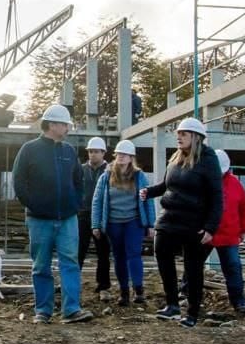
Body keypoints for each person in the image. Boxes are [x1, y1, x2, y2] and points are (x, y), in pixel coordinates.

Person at [12, 104, 93, 324]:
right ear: (52, 124)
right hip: (39, 220)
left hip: (67, 218)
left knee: (70, 263)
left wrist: (74, 205)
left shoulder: (68, 151)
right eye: (65, 124)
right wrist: (34, 205)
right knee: (41, 265)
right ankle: (43, 311)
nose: (68, 127)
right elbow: (18, 182)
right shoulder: (29, 149)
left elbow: (79, 180)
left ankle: (71, 310)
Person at [141, 117, 223, 328]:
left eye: (183, 134)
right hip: (170, 218)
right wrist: (149, 192)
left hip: (194, 221)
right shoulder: (176, 158)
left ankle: (192, 312)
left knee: (193, 267)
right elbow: (167, 185)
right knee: (161, 252)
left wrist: (211, 227)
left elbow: (216, 196)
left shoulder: (208, 159)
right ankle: (172, 305)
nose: (178, 137)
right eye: (178, 133)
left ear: (195, 137)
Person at [91, 140, 155, 307]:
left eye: (124, 154)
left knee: (133, 254)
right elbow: (97, 201)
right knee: (119, 256)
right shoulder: (106, 176)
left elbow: (148, 199)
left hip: (133, 221)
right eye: (119, 154)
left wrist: (151, 224)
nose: (121, 157)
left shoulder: (139, 176)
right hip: (113, 223)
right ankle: (124, 291)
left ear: (131, 157)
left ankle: (139, 289)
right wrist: (95, 225)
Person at [204, 150, 245, 315]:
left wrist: (243, 230)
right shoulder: (202, 182)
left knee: (233, 268)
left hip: (229, 234)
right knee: (194, 265)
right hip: (205, 234)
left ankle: (239, 302)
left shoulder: (234, 184)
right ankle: (186, 292)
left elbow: (243, 209)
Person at [79, 137, 113, 302]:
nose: (93, 154)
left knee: (103, 252)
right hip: (83, 214)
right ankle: (72, 283)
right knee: (78, 250)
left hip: (102, 216)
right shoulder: (80, 170)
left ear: (103, 153)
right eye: (90, 151)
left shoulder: (110, 170)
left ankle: (104, 286)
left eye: (96, 152)